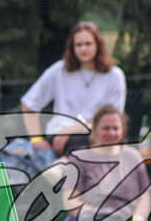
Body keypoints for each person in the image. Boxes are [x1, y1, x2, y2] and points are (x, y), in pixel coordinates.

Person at [54, 104, 151, 221]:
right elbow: (69, 201)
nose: (111, 133)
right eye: (106, 128)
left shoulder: (133, 156)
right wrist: (97, 216)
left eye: (115, 128)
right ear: (95, 129)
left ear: (122, 130)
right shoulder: (78, 158)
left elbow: (144, 198)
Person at [22, 21, 126, 156]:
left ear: (98, 45)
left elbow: (113, 118)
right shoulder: (59, 70)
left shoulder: (115, 75)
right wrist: (36, 140)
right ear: (72, 47)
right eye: (78, 45)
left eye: (88, 44)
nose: (83, 49)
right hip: (61, 137)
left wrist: (70, 131)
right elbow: (29, 104)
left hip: (99, 136)